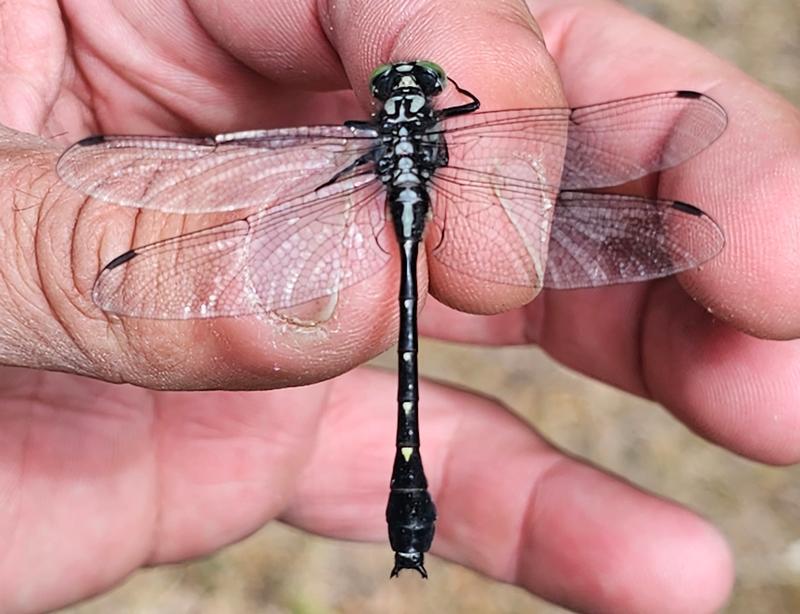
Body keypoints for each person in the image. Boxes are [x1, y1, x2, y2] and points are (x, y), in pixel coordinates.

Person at [1, 0, 798, 611]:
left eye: (406, 85)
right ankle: (413, 518)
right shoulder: (447, 122)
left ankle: (406, 519)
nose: (406, 87)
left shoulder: (364, 137)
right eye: (400, 84)